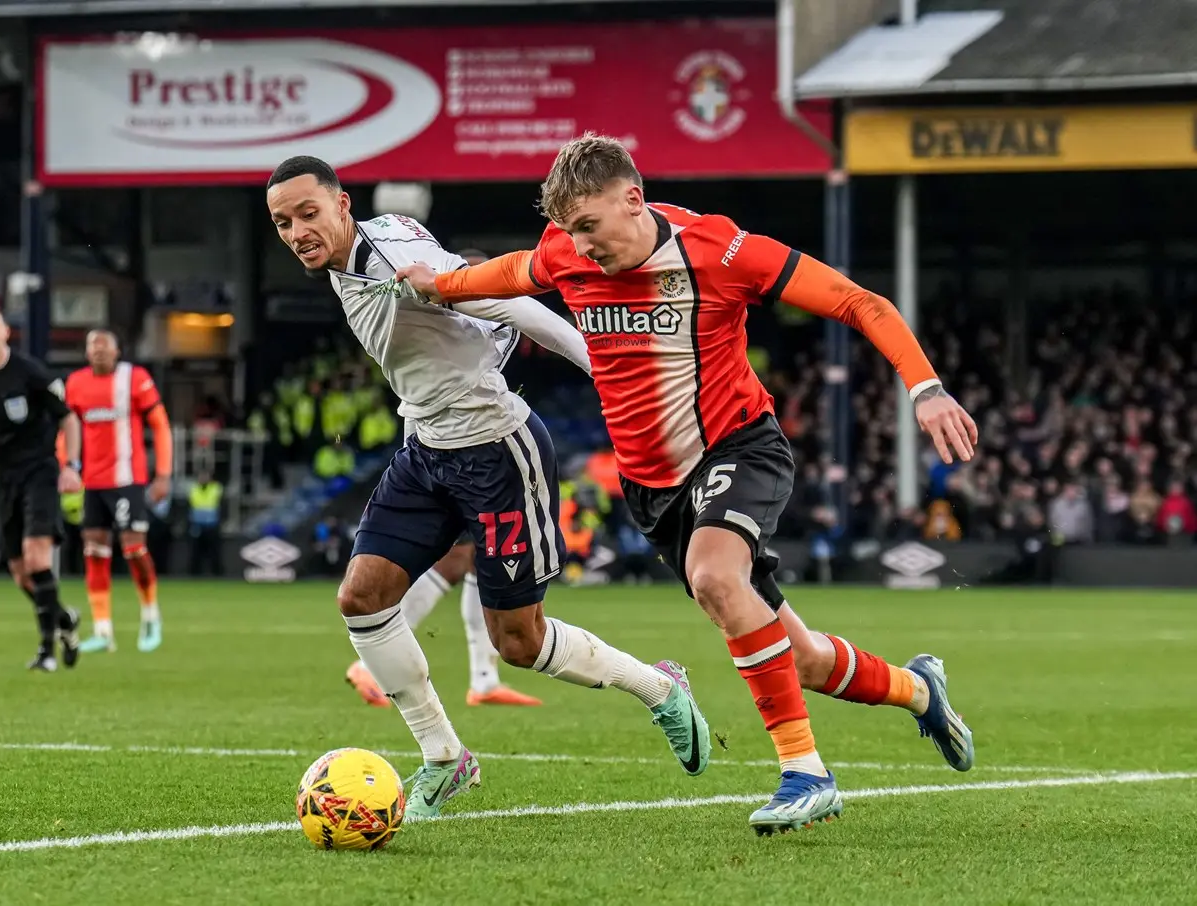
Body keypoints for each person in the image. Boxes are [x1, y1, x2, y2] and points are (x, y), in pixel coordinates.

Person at [393, 133, 979, 834]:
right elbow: (510, 271)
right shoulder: (564, 254)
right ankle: (920, 690)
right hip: (654, 490)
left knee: (715, 577)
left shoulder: (720, 252)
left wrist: (925, 389)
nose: (579, 247)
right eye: (568, 231)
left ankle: (805, 773)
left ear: (632, 200)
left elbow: (860, 303)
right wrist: (439, 283)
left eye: (589, 227)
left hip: (737, 447)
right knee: (804, 658)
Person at [268, 156, 712, 821]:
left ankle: (659, 688)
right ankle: (444, 759)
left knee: (520, 643)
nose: (297, 231)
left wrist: (604, 373)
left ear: (341, 205)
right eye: (282, 222)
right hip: (425, 448)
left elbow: (507, 302)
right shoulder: (374, 240)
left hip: (496, 449)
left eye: (308, 213)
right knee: (361, 598)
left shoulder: (386, 263)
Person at [344, 246, 542, 710]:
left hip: (456, 449)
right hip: (441, 456)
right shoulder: (441, 312)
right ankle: (378, 665)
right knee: (459, 560)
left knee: (470, 561)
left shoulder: (483, 323)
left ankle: (483, 679)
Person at [0, 306, 82, 672]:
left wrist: (71, 466)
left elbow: (68, 417)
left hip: (40, 471)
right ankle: (64, 620)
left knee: (37, 558)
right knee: (20, 572)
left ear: (6, 332)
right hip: (3, 478)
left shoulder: (31, 373)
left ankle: (46, 653)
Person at [64, 330, 173, 654]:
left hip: (128, 479)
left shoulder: (134, 378)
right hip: (93, 483)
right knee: (94, 552)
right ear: (85, 353)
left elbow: (161, 424)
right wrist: (67, 465)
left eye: (104, 347)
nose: (98, 352)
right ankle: (103, 631)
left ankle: (151, 616)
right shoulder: (76, 384)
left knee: (134, 550)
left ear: (117, 351)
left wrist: (163, 474)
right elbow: (66, 427)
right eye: (92, 347)